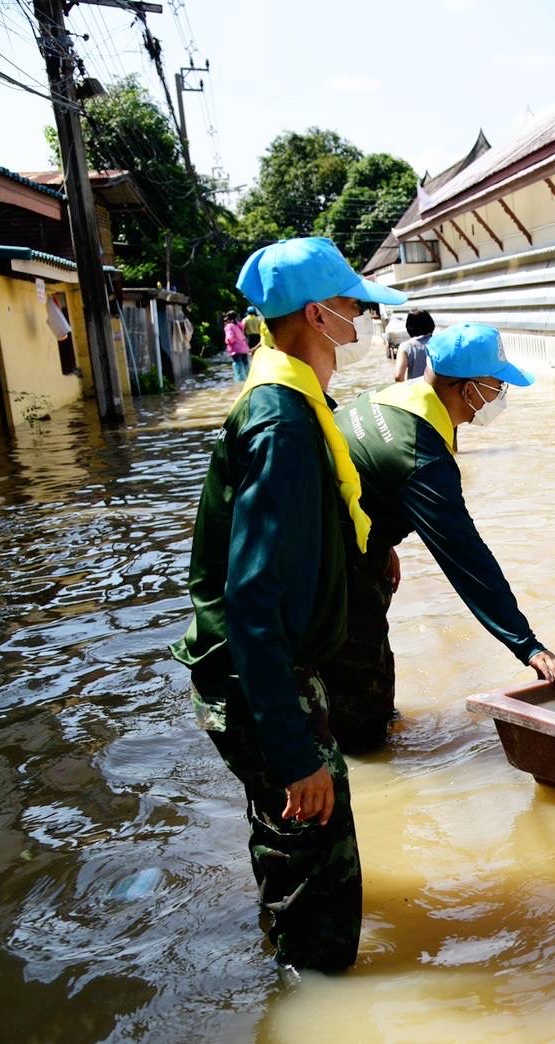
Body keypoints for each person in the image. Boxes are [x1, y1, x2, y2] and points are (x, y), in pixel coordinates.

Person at [170, 236, 407, 971]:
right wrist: (291, 749)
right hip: (261, 681)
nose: (361, 322)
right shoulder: (282, 422)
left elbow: (296, 538)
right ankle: (313, 992)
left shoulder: (295, 401)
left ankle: (287, 958)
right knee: (321, 887)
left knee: (292, 850)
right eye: (351, 308)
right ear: (317, 314)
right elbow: (250, 598)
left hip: (270, 672)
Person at [324, 323, 555, 749]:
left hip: (341, 544)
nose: (501, 396)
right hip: (331, 570)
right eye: (497, 385)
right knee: (360, 722)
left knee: (364, 678)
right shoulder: (422, 459)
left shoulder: (388, 397)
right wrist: (527, 646)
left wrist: (381, 543)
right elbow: (467, 559)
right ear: (468, 388)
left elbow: (361, 475)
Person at [394, 309, 434, 382]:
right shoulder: (438, 342)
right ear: (430, 323)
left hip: (416, 391)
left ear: (409, 327)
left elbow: (398, 376)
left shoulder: (406, 346)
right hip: (437, 391)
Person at [223, 310, 252, 382]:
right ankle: (249, 381)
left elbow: (230, 338)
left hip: (235, 349)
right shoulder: (239, 324)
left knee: (238, 366)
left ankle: (240, 383)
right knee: (246, 365)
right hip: (244, 348)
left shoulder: (229, 326)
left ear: (228, 317)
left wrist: (227, 342)